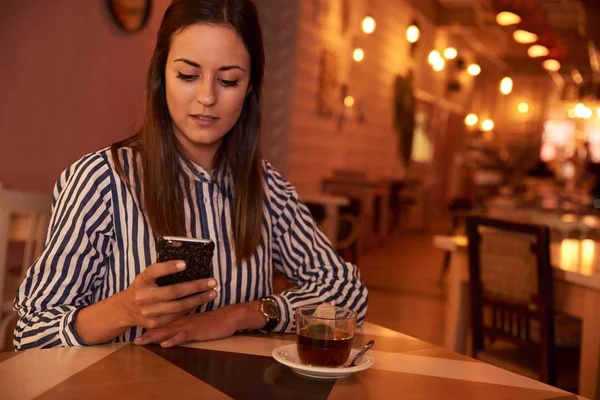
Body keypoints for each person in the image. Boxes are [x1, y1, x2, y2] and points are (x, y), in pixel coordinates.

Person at [13, 0, 368, 350]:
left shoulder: (266, 187)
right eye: (188, 75)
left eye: (228, 80)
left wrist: (240, 315)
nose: (206, 97)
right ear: (161, 75)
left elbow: (346, 293)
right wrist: (123, 309)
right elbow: (31, 331)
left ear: (249, 88)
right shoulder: (102, 180)